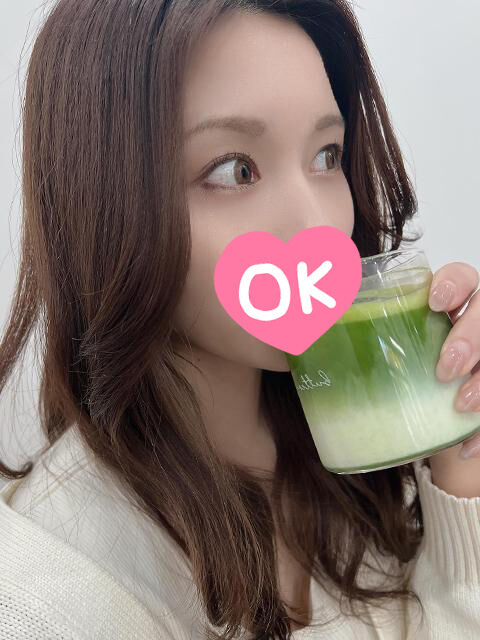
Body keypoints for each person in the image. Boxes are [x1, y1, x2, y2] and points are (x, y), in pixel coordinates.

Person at [1, 0, 480, 638]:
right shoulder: (54, 599)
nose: (317, 227)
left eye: (327, 156)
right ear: (104, 203)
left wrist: (463, 478)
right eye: (236, 170)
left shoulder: (369, 464)